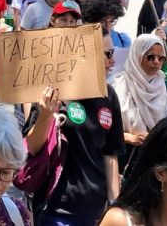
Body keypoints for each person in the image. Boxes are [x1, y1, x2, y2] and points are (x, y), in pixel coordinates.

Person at [24, 39, 124, 225]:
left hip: (96, 211)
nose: (113, 61)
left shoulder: (109, 95)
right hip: (56, 208)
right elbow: (31, 146)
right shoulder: (54, 92)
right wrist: (45, 115)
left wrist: (113, 205)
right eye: (108, 54)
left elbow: (110, 154)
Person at [113, 34, 167, 170]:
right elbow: (106, 129)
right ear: (137, 56)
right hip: (125, 159)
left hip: (156, 162)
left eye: (161, 58)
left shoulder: (165, 87)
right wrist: (130, 138)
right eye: (150, 57)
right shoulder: (119, 86)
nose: (156, 62)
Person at [82, 0, 132, 74]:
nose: (108, 27)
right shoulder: (85, 39)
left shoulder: (123, 40)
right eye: (103, 22)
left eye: (111, 22)